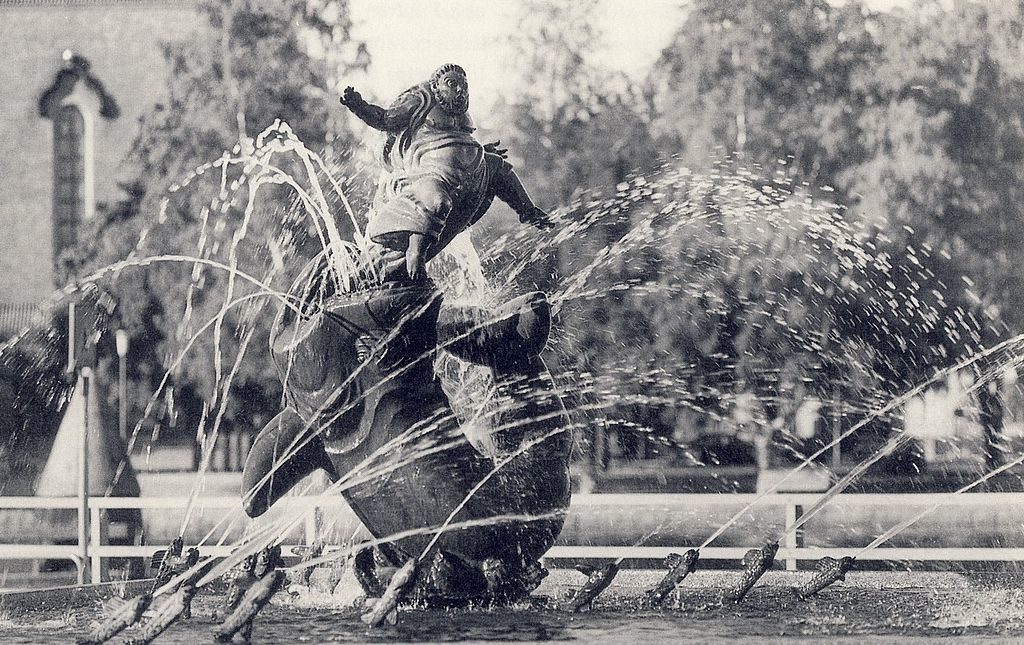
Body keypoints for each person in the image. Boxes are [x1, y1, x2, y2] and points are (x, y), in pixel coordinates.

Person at [340, 63, 552, 282]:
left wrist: (479, 151)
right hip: (429, 173)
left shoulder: (462, 112)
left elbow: (460, 141)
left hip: (467, 172)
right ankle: (415, 253)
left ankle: (528, 211)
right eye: (453, 84)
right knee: (438, 202)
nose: (460, 90)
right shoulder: (421, 98)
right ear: (437, 85)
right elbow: (384, 119)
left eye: (464, 86)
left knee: (498, 167)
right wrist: (360, 106)